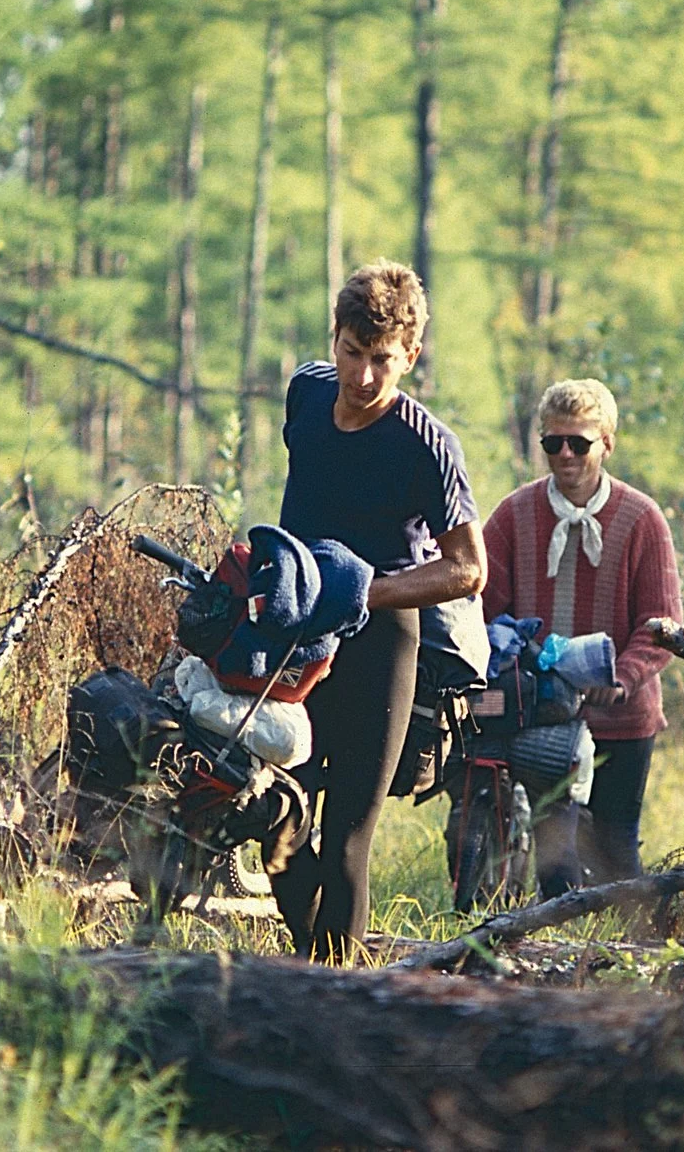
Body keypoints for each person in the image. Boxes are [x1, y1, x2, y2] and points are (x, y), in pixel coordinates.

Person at [272, 261, 486, 961]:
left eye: (383, 361)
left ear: (411, 356)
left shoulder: (426, 444)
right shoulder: (305, 393)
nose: (363, 378)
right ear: (332, 338)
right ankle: (319, 972)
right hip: (295, 630)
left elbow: (468, 568)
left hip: (381, 641)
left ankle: (340, 994)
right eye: (352, 354)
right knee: (277, 812)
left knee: (347, 836)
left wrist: (367, 592)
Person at [481, 378, 682, 894]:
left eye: (579, 443)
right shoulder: (513, 514)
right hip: (538, 714)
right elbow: (482, 608)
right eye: (552, 443)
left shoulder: (642, 519)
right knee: (556, 857)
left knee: (616, 852)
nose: (564, 455)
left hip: (622, 716)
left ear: (607, 443)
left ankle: (619, 961)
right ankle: (555, 963)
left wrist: (622, 676)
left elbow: (662, 623)